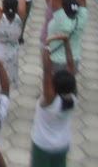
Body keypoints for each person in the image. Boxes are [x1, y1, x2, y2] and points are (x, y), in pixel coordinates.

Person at [31, 34, 76, 166]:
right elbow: (71, 66)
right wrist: (67, 43)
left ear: (54, 85)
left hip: (43, 145)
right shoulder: (73, 98)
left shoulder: (49, 100)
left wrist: (47, 44)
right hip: (62, 144)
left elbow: (47, 70)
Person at [47, 0, 87, 73]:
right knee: (70, 86)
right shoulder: (81, 19)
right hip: (73, 59)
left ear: (62, 7)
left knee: (55, 87)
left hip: (57, 61)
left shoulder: (62, 20)